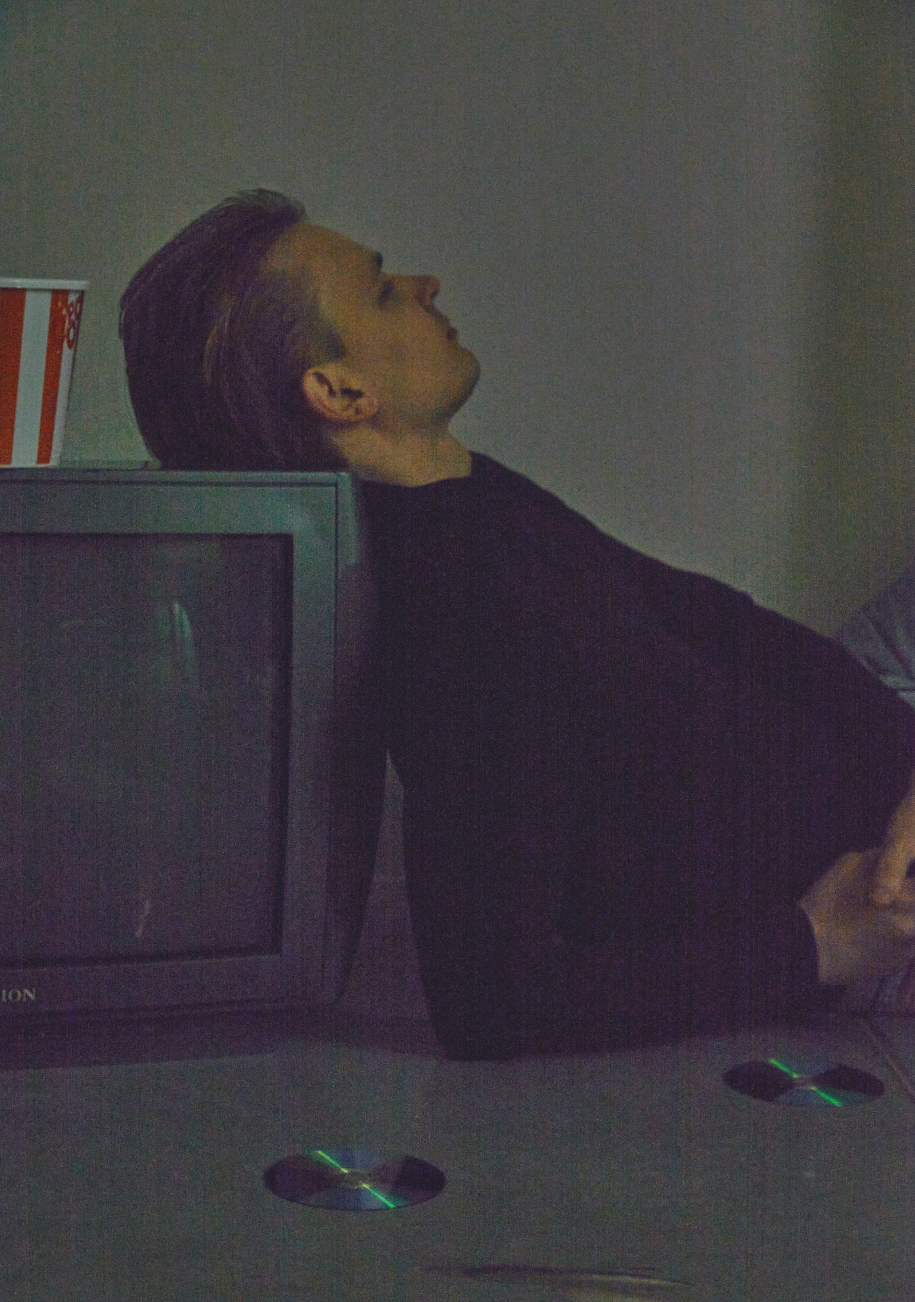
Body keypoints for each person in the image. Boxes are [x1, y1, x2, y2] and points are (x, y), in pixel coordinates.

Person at [120, 189, 915, 1059]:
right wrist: (816, 943)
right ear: (340, 390)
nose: (424, 285)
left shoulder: (467, 505)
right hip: (878, 936)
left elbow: (730, 629)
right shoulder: (456, 604)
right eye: (382, 291)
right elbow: (493, 997)